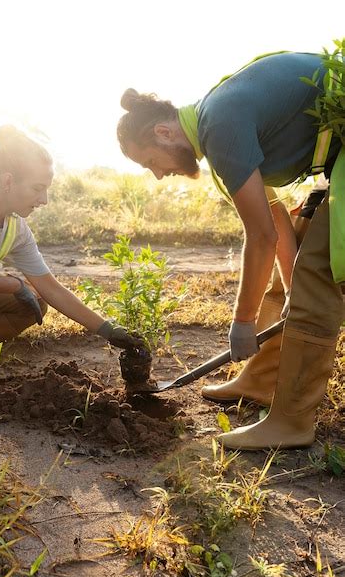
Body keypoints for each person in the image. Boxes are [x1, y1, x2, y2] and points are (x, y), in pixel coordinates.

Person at [116, 51, 344, 450]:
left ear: (165, 133)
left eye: (151, 162)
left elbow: (260, 238)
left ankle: (292, 422)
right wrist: (290, 290)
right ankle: (260, 381)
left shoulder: (220, 123)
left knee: (316, 277)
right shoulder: (214, 121)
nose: (158, 175)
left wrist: (243, 321)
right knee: (293, 271)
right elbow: (276, 225)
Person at [0, 125, 141, 379]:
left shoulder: (16, 228)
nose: (44, 200)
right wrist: (16, 285)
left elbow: (51, 288)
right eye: (38, 188)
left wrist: (109, 331)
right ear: (8, 181)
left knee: (33, 304)